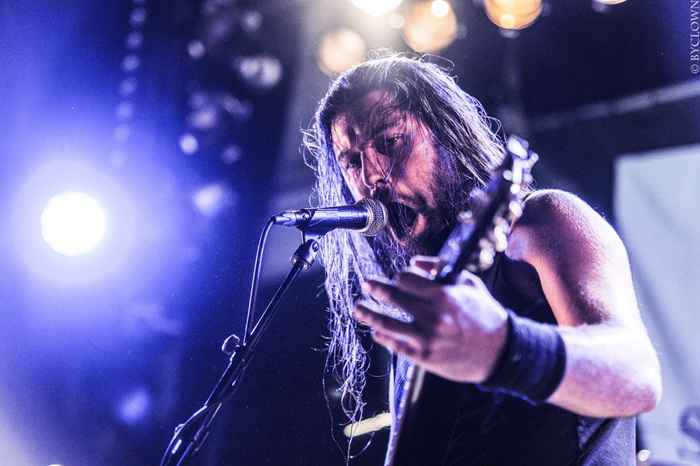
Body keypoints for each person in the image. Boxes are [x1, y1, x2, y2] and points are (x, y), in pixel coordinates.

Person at [304, 54, 661, 465]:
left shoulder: (541, 222)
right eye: (352, 162)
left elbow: (637, 376)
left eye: (390, 142)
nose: (371, 177)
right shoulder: (422, 315)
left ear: (447, 136)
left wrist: (503, 347)